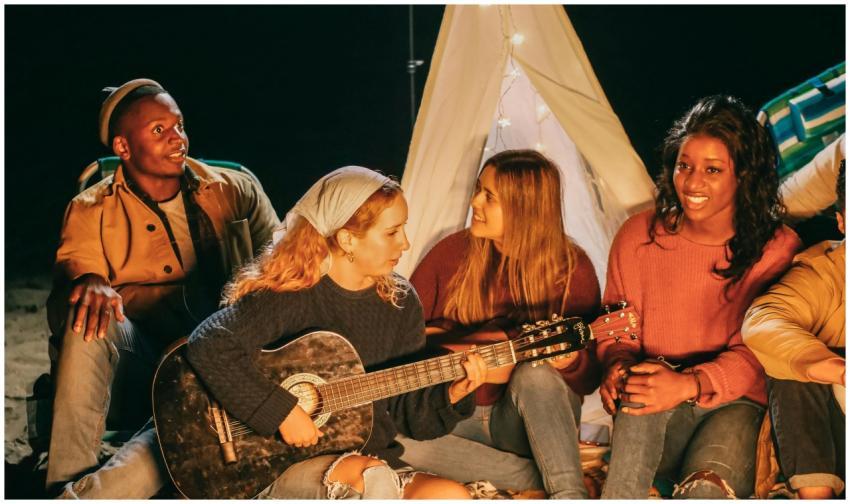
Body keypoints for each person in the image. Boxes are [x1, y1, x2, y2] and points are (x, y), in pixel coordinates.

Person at [186, 166, 485, 499]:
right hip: (279, 460)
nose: (405, 242)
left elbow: (407, 415)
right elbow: (209, 343)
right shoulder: (293, 293)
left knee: (452, 496)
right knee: (372, 479)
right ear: (347, 239)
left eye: (404, 229)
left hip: (368, 457)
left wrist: (452, 394)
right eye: (392, 232)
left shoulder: (400, 302)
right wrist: (281, 411)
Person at [45, 78, 279, 498]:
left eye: (179, 125)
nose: (178, 140)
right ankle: (67, 479)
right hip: (147, 360)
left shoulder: (232, 191)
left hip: (226, 358)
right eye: (159, 131)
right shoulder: (92, 210)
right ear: (123, 147)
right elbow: (74, 272)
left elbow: (284, 267)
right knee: (87, 318)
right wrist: (90, 282)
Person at [597, 95, 802, 499]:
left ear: (743, 176)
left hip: (734, 404)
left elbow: (761, 352)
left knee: (704, 492)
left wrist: (688, 383)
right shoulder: (637, 236)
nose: (692, 183)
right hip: (652, 393)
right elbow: (615, 325)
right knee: (638, 397)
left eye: (713, 170)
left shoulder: (776, 248)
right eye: (684, 166)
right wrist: (617, 365)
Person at [397, 150, 602, 498]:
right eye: (479, 189)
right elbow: (406, 341)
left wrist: (571, 362)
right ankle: (539, 477)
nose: (475, 201)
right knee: (390, 439)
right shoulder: (450, 254)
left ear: (525, 207)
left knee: (535, 374)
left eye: (489, 196)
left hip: (523, 423)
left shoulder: (571, 269)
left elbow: (589, 377)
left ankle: (568, 494)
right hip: (454, 418)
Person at [742, 161, 845, 499]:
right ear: (842, 221)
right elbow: (765, 318)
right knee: (794, 365)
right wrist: (831, 367)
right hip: (837, 433)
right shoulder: (824, 272)